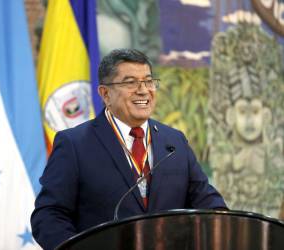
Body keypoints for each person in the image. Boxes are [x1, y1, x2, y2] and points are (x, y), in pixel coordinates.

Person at [31, 49, 227, 250]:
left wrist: (226, 225)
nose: (143, 90)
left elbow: (207, 201)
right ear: (105, 94)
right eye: (131, 82)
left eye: (149, 81)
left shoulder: (175, 142)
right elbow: (48, 215)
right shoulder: (75, 144)